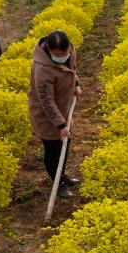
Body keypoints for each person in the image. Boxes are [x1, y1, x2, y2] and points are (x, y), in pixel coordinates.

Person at [28, 30, 82, 198]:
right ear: (49, 51)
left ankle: (62, 175)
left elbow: (71, 69)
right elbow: (46, 101)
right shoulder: (43, 69)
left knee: (65, 145)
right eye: (56, 54)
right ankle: (57, 182)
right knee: (53, 150)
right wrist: (61, 125)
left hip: (63, 108)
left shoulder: (70, 53)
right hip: (47, 115)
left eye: (63, 53)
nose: (60, 56)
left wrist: (76, 84)